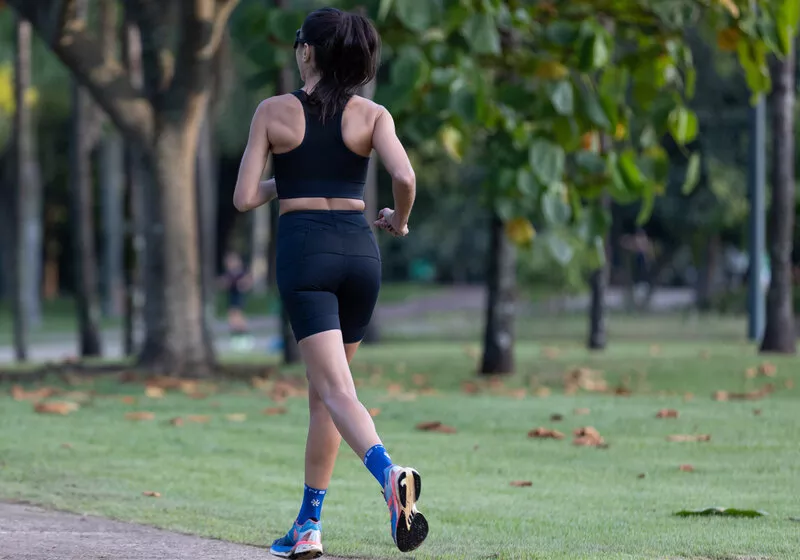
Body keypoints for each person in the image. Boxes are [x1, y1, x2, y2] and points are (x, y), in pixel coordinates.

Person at [232, 7, 425, 559]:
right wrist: (401, 221)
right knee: (326, 398)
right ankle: (307, 528)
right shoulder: (373, 114)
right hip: (360, 252)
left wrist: (284, 180)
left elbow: (244, 198)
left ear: (308, 52)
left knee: (336, 394)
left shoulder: (273, 111)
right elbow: (405, 177)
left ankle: (390, 476)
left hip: (305, 253)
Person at [218, 252, 254, 350]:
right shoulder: (229, 274)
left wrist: (242, 285)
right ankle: (238, 340)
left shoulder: (240, 273)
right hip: (231, 298)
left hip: (238, 298)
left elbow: (247, 283)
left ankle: (246, 339)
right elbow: (223, 283)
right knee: (232, 320)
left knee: (238, 319)